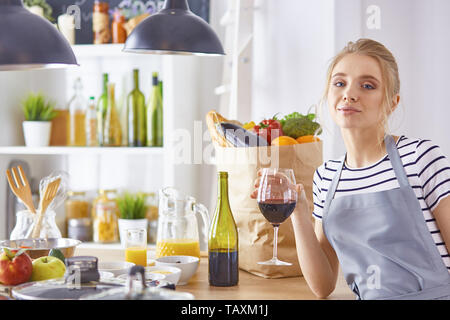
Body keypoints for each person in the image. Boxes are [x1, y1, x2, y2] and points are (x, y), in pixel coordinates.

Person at [253, 38, 450, 300]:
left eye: (367, 85)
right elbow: (323, 286)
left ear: (392, 102)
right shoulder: (327, 177)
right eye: (339, 83)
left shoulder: (420, 158)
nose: (349, 93)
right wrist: (299, 211)